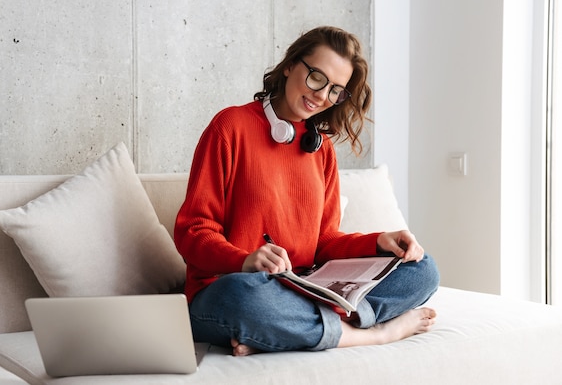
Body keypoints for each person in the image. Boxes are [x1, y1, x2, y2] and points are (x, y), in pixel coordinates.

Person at [174, 26, 440, 357]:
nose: (321, 95)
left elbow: (323, 243)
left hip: (303, 289)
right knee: (245, 297)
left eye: (335, 90)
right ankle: (373, 335)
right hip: (230, 290)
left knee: (423, 270)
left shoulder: (321, 149)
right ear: (290, 65)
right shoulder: (229, 127)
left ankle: (285, 333)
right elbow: (192, 232)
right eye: (316, 77)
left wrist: (378, 241)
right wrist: (244, 261)